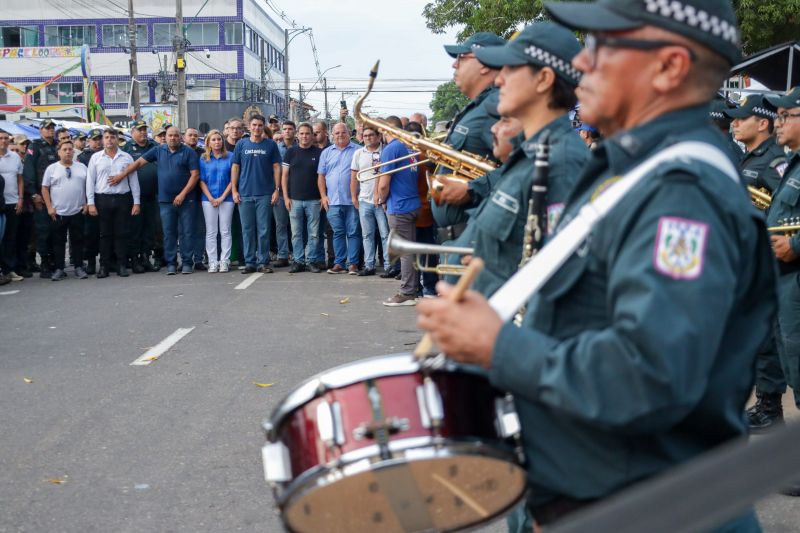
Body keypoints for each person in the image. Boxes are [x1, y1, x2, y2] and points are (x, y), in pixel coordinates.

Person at [418, 1, 774, 530]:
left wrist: (498, 345)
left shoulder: (681, 194)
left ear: (669, 67)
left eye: (605, 45)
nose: (582, 63)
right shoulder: (632, 173)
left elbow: (649, 375)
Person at [466, 22, 589, 297]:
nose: (499, 80)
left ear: (544, 79)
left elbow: (558, 283)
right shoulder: (532, 153)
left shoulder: (561, 163)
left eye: (510, 69)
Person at [723, 95, 788, 432]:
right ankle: (766, 403)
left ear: (762, 123)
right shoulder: (751, 158)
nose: (734, 123)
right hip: (752, 260)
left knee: (772, 339)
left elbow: (784, 210)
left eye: (741, 118)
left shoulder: (774, 163)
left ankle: (771, 406)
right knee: (762, 338)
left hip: (772, 261)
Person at [432, 32, 505, 241]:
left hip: (475, 239)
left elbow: (525, 166)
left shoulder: (497, 105)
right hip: (460, 238)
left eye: (461, 57)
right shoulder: (479, 107)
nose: (455, 65)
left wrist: (472, 189)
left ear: (484, 63)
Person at [766, 87, 800, 497]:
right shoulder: (791, 164)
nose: (778, 121)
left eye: (787, 115)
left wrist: (796, 245)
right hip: (784, 282)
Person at [116, 126, 199, 275]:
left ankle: (187, 262)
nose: (172, 138)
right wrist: (122, 175)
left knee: (186, 232)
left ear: (180, 137)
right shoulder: (158, 150)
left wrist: (182, 194)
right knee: (168, 233)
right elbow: (138, 163)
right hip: (166, 201)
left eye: (175, 135)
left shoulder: (189, 152)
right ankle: (171, 263)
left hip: (186, 200)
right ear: (165, 137)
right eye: (170, 135)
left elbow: (195, 175)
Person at [377, 116, 421, 305]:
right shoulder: (409, 147)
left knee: (405, 251)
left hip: (399, 207)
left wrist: (381, 199)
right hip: (413, 204)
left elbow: (384, 184)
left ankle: (407, 292)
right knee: (411, 249)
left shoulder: (391, 149)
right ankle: (414, 289)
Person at [86, 129, 140, 278]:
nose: (109, 140)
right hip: (102, 199)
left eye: (112, 137)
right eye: (107, 137)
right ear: (103, 140)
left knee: (122, 233)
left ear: (117, 139)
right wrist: (90, 203)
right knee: (104, 234)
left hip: (122, 199)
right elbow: (90, 181)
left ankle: (121, 265)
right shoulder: (96, 158)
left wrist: (136, 202)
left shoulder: (126, 157)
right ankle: (104, 266)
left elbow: (133, 181)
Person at [231, 114, 281, 274]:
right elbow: (235, 168)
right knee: (247, 229)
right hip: (245, 194)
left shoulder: (271, 145)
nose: (257, 128)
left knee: (264, 229)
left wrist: (276, 189)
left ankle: (263, 262)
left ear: (263, 126)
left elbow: (276, 168)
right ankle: (250, 262)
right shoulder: (241, 144)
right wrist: (234, 189)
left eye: (260, 125)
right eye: (254, 125)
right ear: (249, 126)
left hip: (265, 194)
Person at [41, 140, 88, 280]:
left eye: (70, 149)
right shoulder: (52, 168)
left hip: (78, 210)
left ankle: (79, 267)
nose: (68, 151)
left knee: (78, 241)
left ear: (73, 151)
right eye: (65, 149)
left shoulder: (82, 167)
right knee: (58, 242)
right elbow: (44, 188)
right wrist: (49, 207)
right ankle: (59, 268)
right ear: (59, 152)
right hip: (58, 212)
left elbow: (88, 186)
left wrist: (86, 203)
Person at [318, 122, 361, 274]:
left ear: (349, 133)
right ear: (332, 135)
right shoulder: (326, 152)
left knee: (354, 232)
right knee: (338, 233)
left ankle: (353, 264)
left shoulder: (358, 151)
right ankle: (339, 263)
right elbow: (321, 176)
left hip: (352, 201)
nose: (340, 135)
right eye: (337, 133)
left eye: (343, 132)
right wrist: (323, 196)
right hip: (333, 201)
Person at [282, 122, 323, 273]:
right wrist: (286, 197)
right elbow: (284, 176)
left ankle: (311, 261)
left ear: (312, 135)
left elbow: (322, 177)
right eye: (302, 133)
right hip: (294, 200)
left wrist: (322, 196)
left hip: (314, 200)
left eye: (307, 133)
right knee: (296, 233)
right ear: (297, 135)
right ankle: (298, 261)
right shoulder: (290, 152)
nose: (304, 136)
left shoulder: (319, 153)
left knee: (313, 233)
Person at [350, 124, 389, 277]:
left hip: (382, 200)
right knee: (367, 235)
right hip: (364, 200)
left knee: (385, 234)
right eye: (365, 136)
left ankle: (388, 265)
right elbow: (353, 176)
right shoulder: (358, 153)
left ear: (378, 136)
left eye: (371, 135)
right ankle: (369, 265)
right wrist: (354, 196)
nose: (368, 138)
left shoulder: (386, 151)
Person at [122, 120, 160, 273]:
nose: (143, 132)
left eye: (145, 129)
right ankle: (135, 259)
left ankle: (146, 257)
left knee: (150, 229)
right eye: (140, 130)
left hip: (153, 195)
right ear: (132, 132)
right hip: (134, 198)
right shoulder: (127, 148)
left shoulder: (154, 146)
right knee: (135, 229)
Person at [23, 119, 59, 278]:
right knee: (43, 230)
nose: (50, 130)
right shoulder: (35, 146)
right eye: (47, 128)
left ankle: (54, 261)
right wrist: (33, 194)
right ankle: (45, 263)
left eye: (52, 128)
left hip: (58, 195)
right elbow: (29, 172)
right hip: (41, 196)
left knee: (56, 230)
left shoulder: (58, 145)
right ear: (41, 130)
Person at [198, 129, 234, 273]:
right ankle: (213, 261)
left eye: (219, 139)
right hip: (208, 199)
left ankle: (224, 261)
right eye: (213, 140)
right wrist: (212, 198)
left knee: (225, 231)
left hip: (227, 198)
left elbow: (233, 179)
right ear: (208, 142)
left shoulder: (230, 156)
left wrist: (222, 197)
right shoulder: (203, 158)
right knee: (211, 232)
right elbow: (201, 180)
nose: (217, 142)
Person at [78, 128, 104, 274]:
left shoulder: (107, 154)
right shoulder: (83, 157)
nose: (98, 142)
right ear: (88, 141)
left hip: (104, 197)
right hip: (89, 199)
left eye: (100, 138)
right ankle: (91, 262)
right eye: (94, 139)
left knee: (106, 231)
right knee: (90, 233)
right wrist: (86, 201)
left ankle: (107, 260)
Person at [0, 129, 24, 282]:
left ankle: (9, 269)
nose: (3, 141)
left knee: (10, 238)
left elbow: (20, 179)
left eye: (5, 138)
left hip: (13, 202)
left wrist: (20, 198)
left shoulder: (15, 157)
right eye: (0, 138)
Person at [272, 120, 297, 268]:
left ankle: (296, 254)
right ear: (281, 131)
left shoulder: (300, 147)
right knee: (280, 225)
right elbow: (271, 171)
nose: (287, 131)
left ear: (294, 131)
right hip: (280, 193)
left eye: (290, 129)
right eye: (285, 129)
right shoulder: (275, 149)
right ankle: (282, 254)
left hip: (297, 192)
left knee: (296, 227)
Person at [184, 127, 207, 271]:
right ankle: (186, 259)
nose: (193, 137)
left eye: (195, 136)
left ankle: (198, 259)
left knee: (200, 229)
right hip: (184, 196)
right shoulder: (180, 151)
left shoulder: (203, 154)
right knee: (185, 231)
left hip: (200, 195)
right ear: (184, 137)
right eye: (190, 135)